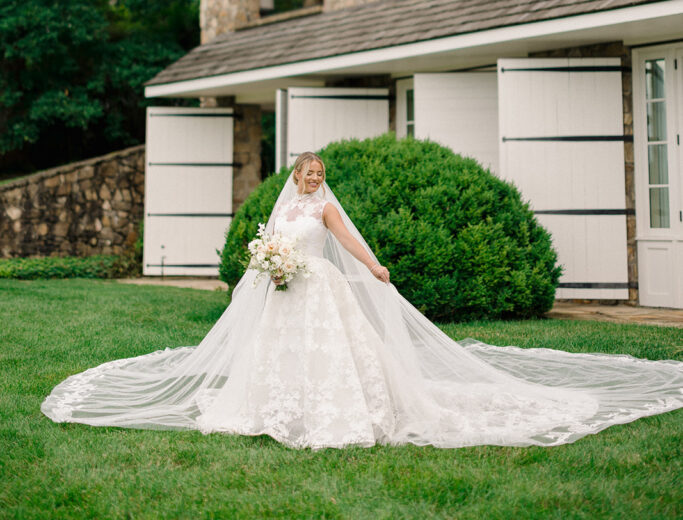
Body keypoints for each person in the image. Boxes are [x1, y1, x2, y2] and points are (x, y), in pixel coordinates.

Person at [41, 151, 683, 450]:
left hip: (320, 290)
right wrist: (267, 264)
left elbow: (346, 240)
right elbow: (267, 244)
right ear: (294, 176)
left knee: (341, 357)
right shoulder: (283, 207)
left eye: (320, 176)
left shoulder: (323, 208)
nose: (314, 182)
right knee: (276, 355)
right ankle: (269, 411)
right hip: (284, 290)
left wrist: (376, 267)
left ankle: (346, 417)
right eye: (307, 175)